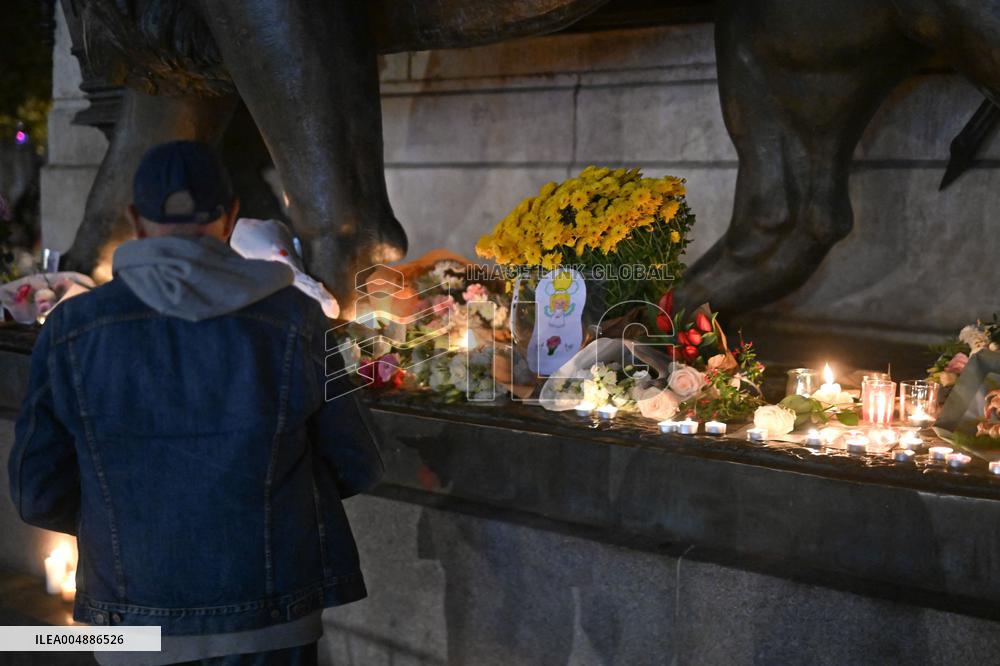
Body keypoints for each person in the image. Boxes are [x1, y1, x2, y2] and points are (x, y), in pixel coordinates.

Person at [8, 141, 383, 665]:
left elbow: (36, 490)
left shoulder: (72, 328)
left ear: (137, 221)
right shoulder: (300, 319)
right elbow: (359, 459)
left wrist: (131, 518)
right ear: (230, 217)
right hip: (270, 621)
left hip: (131, 626)